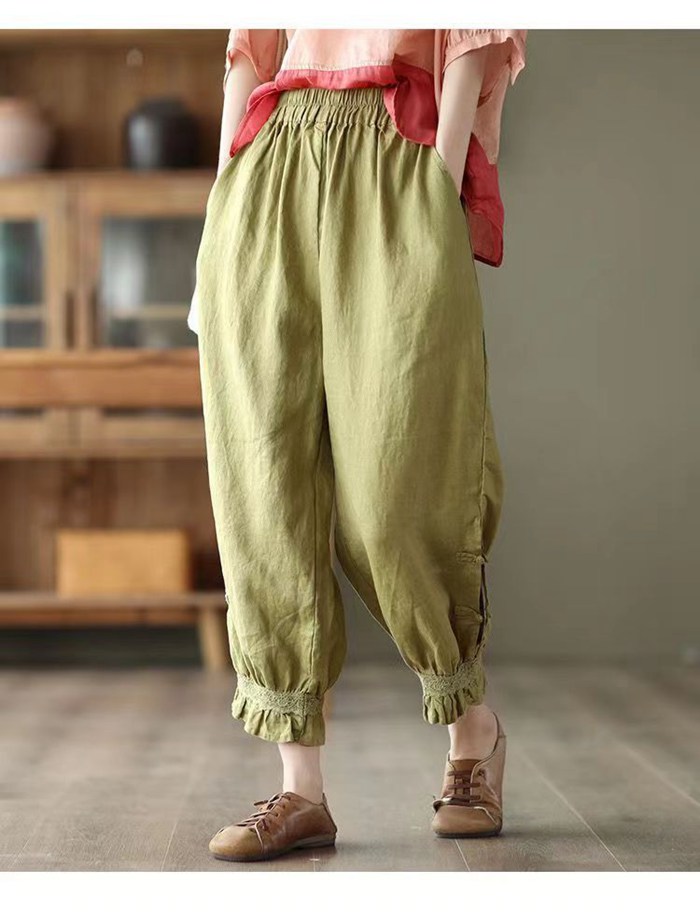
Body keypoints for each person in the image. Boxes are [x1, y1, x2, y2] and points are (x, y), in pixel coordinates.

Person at [188, 28, 526, 863]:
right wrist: (225, 197)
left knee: (398, 490)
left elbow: (471, 34)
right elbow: (251, 45)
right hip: (270, 163)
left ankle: (471, 729)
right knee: (264, 480)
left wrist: (437, 180)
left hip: (394, 154)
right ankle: (300, 789)